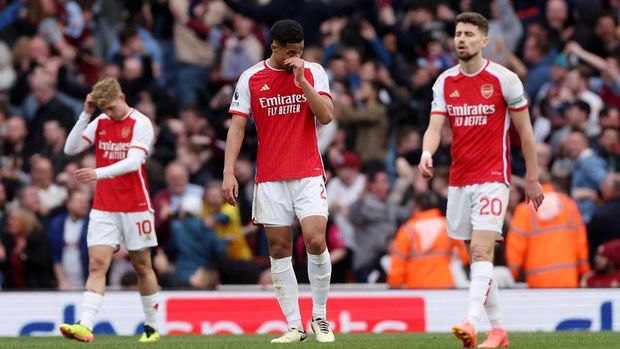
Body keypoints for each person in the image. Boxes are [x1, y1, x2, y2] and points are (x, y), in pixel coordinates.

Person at [418, 12, 544, 349]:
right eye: (458, 33)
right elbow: (434, 127)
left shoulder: (505, 79)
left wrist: (532, 178)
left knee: (480, 250)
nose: (461, 39)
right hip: (459, 181)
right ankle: (499, 331)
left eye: (469, 34)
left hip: (493, 177)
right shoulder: (445, 81)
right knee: (476, 259)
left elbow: (526, 133)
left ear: (484, 41)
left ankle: (471, 322)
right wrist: (427, 153)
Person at [222, 19, 335, 343]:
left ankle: (321, 318)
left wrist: (302, 82)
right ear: (274, 47)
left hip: (308, 172)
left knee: (315, 240)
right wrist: (229, 171)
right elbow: (238, 127)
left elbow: (326, 116)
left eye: (299, 51)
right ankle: (295, 326)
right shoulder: (251, 78)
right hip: (270, 177)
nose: (295, 58)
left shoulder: (312, 71)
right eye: (290, 53)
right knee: (279, 248)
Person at [59, 78, 161, 343]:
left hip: (136, 206)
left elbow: (133, 162)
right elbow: (70, 148)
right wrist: (86, 114)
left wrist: (97, 173)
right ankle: (85, 325)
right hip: (104, 206)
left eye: (113, 108)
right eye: (105, 110)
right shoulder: (101, 121)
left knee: (142, 266)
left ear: (123, 97)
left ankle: (152, 327)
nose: (110, 114)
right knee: (97, 264)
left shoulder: (141, 123)